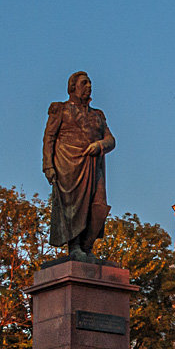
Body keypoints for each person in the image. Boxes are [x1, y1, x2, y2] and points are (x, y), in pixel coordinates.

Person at [43, 71, 115, 261]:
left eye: (90, 83)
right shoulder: (61, 109)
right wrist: (48, 165)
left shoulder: (97, 115)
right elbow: (49, 137)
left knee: (99, 206)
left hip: (93, 164)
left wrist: (99, 145)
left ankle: (87, 246)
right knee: (72, 206)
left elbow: (111, 140)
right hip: (68, 163)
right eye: (84, 83)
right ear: (73, 86)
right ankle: (74, 247)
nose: (89, 86)